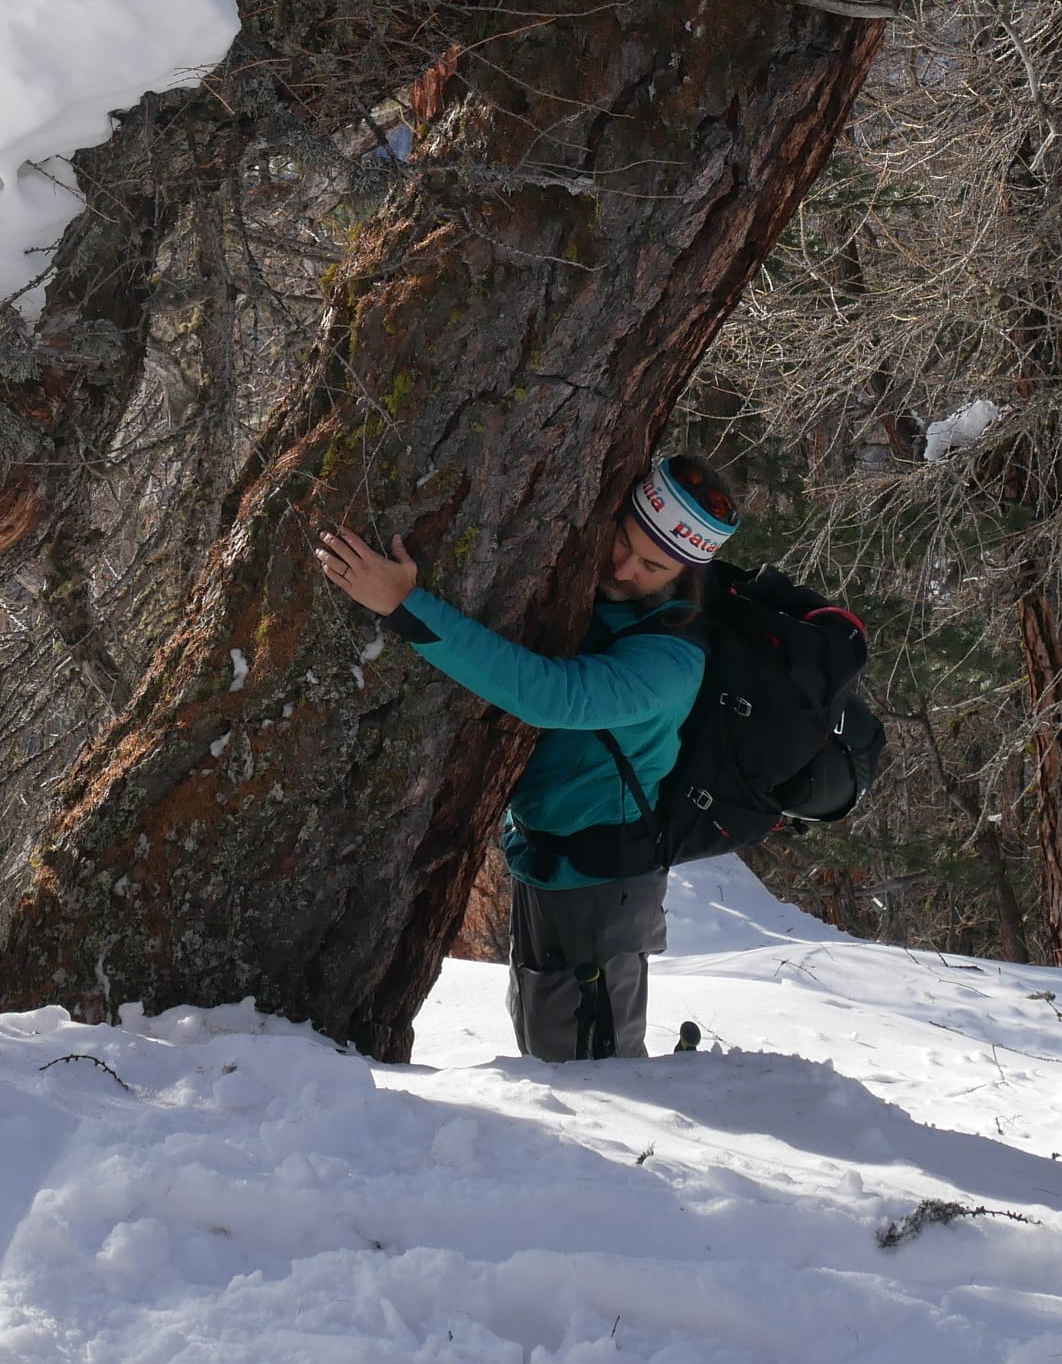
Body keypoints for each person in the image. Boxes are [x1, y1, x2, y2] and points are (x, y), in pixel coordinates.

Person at [312, 454, 743, 1062]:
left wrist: (406, 606)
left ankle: (622, 1157)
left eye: (653, 564)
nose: (622, 568)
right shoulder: (620, 604)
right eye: (621, 540)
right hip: (554, 866)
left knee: (590, 1073)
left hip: (601, 883)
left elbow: (549, 695)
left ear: (686, 572)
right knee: (551, 1045)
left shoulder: (671, 661)